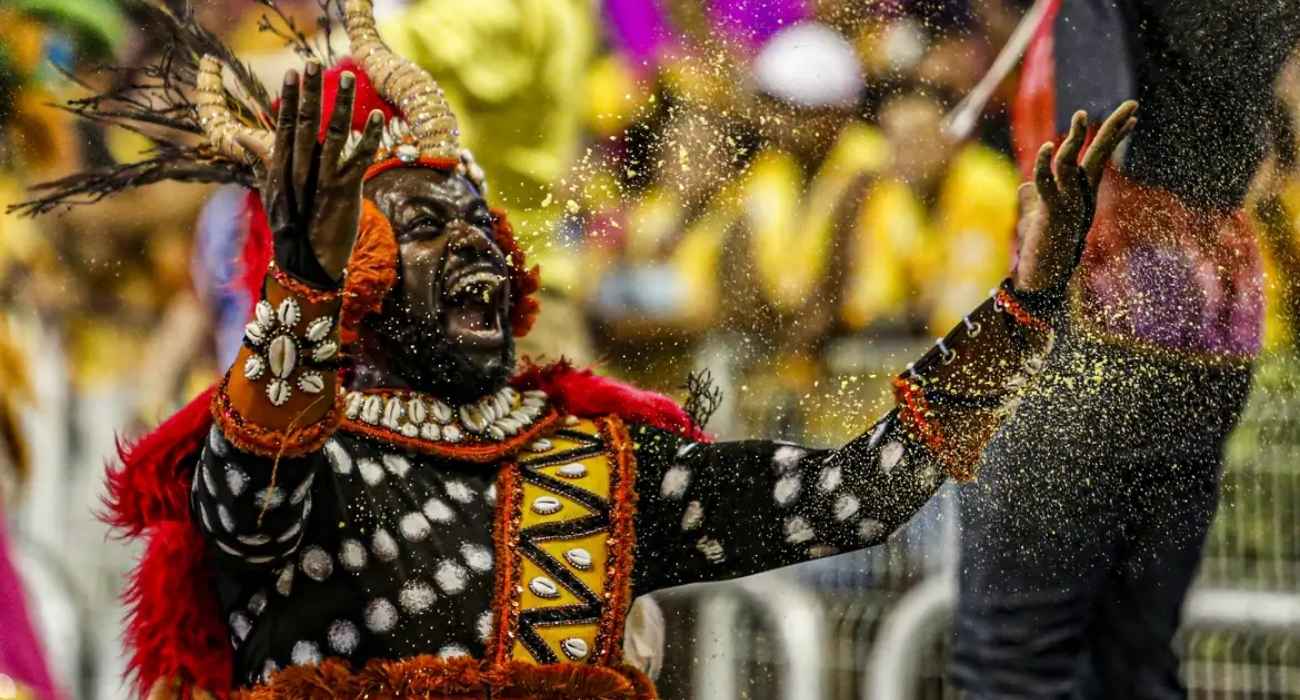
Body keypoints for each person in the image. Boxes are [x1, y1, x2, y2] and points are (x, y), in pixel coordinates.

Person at [14, 1, 1134, 696]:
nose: (473, 241)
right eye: (423, 223)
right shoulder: (303, 463)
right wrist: (300, 291)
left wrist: (1027, 302)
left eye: (479, 220)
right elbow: (244, 504)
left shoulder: (599, 457)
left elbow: (859, 491)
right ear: (351, 267)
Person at [951, 1, 1300, 698]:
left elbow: (1103, 122)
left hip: (1102, 296)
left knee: (1016, 657)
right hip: (1212, 305)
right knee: (1133, 659)